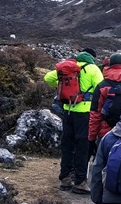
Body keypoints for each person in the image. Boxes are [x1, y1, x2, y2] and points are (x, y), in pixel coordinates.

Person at [44, 49, 103, 193]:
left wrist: (61, 88)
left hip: (68, 110)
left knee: (67, 144)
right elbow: (101, 88)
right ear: (91, 58)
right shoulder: (92, 68)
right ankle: (80, 182)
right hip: (85, 112)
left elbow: (47, 78)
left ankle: (65, 179)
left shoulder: (68, 67)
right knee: (83, 146)